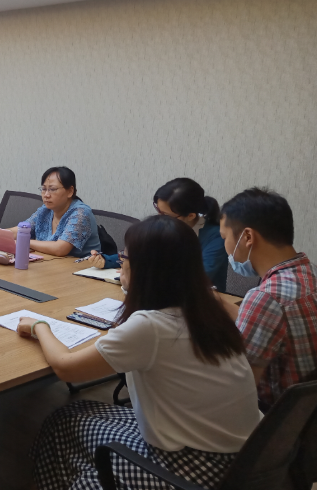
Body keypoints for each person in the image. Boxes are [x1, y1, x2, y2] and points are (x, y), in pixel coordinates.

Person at [23, 215, 261, 489]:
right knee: (68, 415)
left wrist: (40, 326)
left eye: (124, 258)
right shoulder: (209, 309)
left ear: (145, 269)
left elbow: (66, 367)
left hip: (197, 468)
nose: (121, 264)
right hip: (244, 456)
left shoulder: (152, 326)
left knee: (69, 441)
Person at [218, 188, 317, 410]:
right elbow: (275, 324)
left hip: (275, 418)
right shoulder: (310, 273)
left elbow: (236, 387)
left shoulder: (266, 298)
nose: (225, 247)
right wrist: (220, 302)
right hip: (308, 417)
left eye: (225, 237)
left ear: (247, 237)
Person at [86, 178, 228, 291]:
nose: (160, 217)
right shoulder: (167, 226)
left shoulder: (216, 236)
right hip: (159, 294)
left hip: (201, 300)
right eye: (158, 210)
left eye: (165, 214)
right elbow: (140, 252)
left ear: (190, 216)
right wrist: (105, 260)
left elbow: (200, 276)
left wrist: (144, 273)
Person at [0, 166, 101, 257]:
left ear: (70, 191)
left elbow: (60, 249)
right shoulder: (45, 210)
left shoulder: (81, 213)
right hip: (50, 266)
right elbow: (20, 230)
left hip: (79, 272)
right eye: (44, 189)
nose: (46, 195)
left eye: (52, 189)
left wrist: (23, 241)